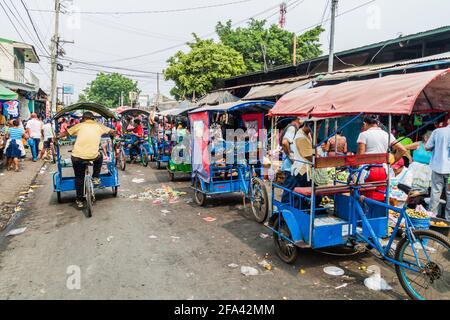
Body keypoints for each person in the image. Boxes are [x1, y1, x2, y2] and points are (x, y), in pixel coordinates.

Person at [57, 112, 115, 209]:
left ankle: (79, 200)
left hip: (77, 157)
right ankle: (96, 177)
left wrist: (56, 137)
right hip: (93, 156)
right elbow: (112, 131)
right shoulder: (99, 126)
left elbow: (65, 133)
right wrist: (114, 135)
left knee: (79, 177)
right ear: (93, 119)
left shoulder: (79, 126)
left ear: (83, 119)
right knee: (99, 156)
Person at [357, 115, 407, 201]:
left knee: (364, 196)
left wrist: (356, 171)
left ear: (365, 124)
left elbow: (361, 156)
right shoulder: (387, 135)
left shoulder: (363, 134)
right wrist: (392, 161)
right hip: (384, 170)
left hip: (368, 171)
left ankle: (365, 213)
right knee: (380, 194)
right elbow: (402, 149)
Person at [426, 118, 450, 220]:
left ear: (448, 121)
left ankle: (432, 217)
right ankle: (448, 220)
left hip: (437, 166)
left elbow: (427, 147)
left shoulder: (437, 131)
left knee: (435, 192)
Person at [280, 118, 302, 203]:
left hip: (292, 166)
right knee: (289, 190)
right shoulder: (292, 128)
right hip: (291, 166)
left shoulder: (294, 128)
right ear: (298, 118)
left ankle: (288, 212)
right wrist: (291, 157)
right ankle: (284, 212)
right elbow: (285, 142)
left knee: (292, 190)